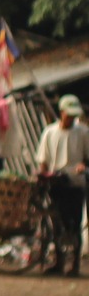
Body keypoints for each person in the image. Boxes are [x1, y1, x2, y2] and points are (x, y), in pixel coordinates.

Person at [36, 94, 89, 276]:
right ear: (61, 113)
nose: (72, 119)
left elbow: (87, 158)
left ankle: (74, 265)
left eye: (74, 116)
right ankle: (59, 262)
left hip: (76, 183)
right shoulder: (50, 132)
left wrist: (83, 166)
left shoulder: (83, 132)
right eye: (69, 115)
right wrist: (42, 174)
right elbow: (43, 160)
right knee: (56, 223)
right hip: (56, 183)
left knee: (74, 223)